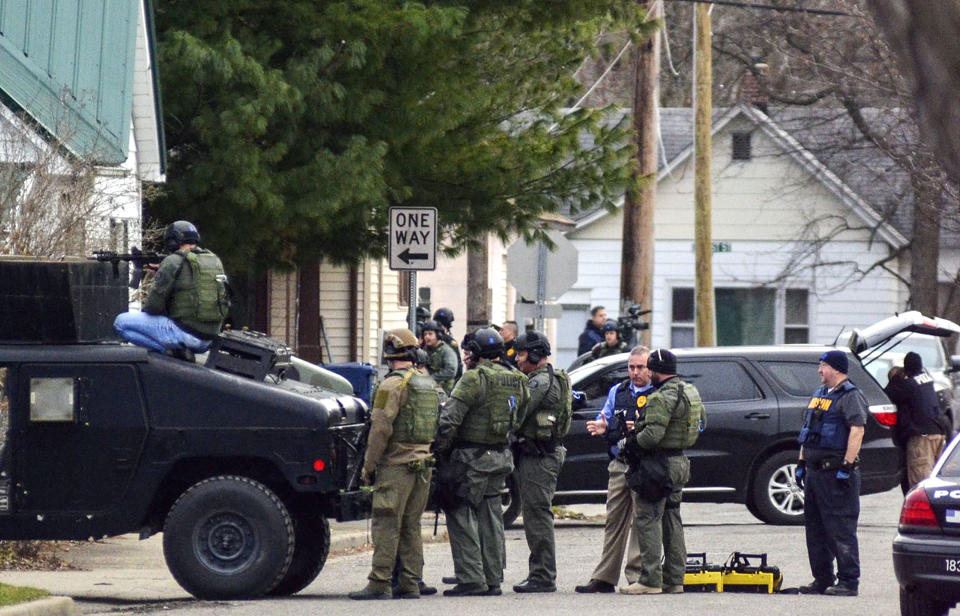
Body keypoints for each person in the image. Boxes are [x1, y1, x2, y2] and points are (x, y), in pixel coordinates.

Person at [432, 327, 529, 597]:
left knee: (460, 513)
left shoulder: (473, 379)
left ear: (477, 353)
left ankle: (471, 578)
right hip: (500, 457)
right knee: (491, 516)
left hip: (470, 460)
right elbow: (520, 417)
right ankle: (492, 577)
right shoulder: (518, 379)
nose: (464, 357)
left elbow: (449, 420)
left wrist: (439, 451)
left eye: (468, 351)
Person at [349, 329, 441, 600]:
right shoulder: (427, 383)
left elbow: (380, 429)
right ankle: (410, 583)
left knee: (387, 523)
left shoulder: (391, 385)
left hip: (396, 465)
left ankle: (379, 583)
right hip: (423, 464)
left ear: (389, 353)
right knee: (411, 525)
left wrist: (368, 467)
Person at [619, 348, 705, 595]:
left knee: (648, 518)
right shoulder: (690, 391)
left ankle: (650, 580)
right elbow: (702, 424)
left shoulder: (660, 398)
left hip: (659, 465)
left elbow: (651, 436)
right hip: (680, 462)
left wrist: (630, 442)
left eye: (649, 369)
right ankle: (675, 579)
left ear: (655, 371)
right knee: (672, 518)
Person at [574, 346, 652, 593]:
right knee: (614, 521)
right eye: (631, 367)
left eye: (641, 367)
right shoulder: (618, 391)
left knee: (641, 522)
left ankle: (636, 575)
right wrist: (601, 425)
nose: (635, 372)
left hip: (645, 464)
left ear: (650, 368)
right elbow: (606, 417)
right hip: (620, 463)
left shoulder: (658, 394)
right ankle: (605, 576)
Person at [794, 349, 867, 597]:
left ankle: (848, 580)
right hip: (815, 474)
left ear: (835, 369)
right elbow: (809, 430)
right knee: (815, 529)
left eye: (822, 365)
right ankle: (822, 578)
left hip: (836, 474)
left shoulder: (850, 396)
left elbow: (857, 430)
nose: (819, 370)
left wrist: (847, 466)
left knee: (840, 528)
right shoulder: (820, 395)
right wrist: (801, 463)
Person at [511, 331, 572, 593]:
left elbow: (516, 412)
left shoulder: (539, 382)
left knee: (537, 515)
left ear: (535, 354)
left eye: (522, 354)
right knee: (536, 514)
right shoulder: (549, 377)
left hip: (539, 456)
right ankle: (541, 573)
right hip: (540, 454)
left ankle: (543, 576)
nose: (517, 360)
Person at [113, 220, 229, 359]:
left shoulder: (173, 261)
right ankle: (179, 349)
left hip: (185, 336)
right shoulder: (214, 260)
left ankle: (170, 352)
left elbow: (153, 307)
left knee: (121, 323)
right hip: (208, 339)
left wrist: (160, 278)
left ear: (173, 241)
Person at [885, 352, 948, 492]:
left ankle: (923, 514)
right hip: (937, 434)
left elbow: (889, 393)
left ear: (907, 368)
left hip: (921, 440)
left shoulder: (909, 385)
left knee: (920, 486)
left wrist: (895, 378)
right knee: (934, 481)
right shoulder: (927, 380)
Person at [422, 320, 458, 394]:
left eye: (430, 334)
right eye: (425, 334)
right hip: (429, 390)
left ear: (438, 335)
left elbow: (450, 371)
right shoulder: (425, 350)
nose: (427, 337)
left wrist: (430, 378)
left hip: (444, 391)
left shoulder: (447, 351)